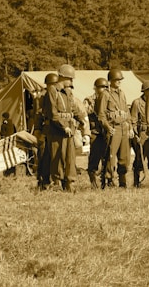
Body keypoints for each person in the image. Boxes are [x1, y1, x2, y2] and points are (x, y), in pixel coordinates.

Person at [44, 64, 89, 192]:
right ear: (63, 77)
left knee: (70, 158)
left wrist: (81, 119)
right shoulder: (52, 91)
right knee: (57, 158)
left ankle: (70, 184)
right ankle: (57, 183)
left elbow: (73, 108)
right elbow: (53, 113)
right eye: (70, 79)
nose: (71, 82)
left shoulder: (68, 92)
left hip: (69, 130)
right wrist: (63, 127)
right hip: (57, 130)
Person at [97, 69, 134, 188]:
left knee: (124, 156)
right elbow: (101, 115)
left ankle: (122, 181)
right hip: (113, 128)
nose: (119, 82)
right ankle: (109, 181)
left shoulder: (122, 93)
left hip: (123, 127)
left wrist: (130, 127)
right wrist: (107, 127)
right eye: (116, 80)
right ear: (111, 81)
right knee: (110, 157)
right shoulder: (105, 94)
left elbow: (126, 112)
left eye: (120, 80)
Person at [33, 73, 59, 190]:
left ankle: (51, 180)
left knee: (52, 155)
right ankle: (43, 180)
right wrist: (38, 129)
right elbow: (38, 114)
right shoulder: (42, 96)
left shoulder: (54, 94)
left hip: (53, 129)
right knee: (43, 156)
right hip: (45, 129)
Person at [130, 80, 149, 188]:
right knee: (140, 158)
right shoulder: (137, 102)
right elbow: (133, 120)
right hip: (142, 133)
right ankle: (137, 181)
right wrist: (136, 135)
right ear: (144, 91)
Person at [84, 78, 108, 189]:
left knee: (107, 159)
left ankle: (106, 182)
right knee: (94, 159)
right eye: (101, 87)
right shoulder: (89, 100)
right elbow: (84, 114)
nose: (103, 89)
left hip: (105, 132)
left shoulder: (109, 99)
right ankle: (93, 183)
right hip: (95, 132)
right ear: (96, 88)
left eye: (105, 87)